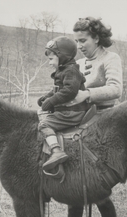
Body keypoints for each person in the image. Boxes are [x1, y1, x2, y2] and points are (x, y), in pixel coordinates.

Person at [65, 17, 123, 217]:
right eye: (76, 41)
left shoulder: (111, 58)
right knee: (77, 181)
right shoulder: (77, 64)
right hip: (80, 123)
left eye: (83, 40)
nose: (79, 45)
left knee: (90, 182)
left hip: (105, 122)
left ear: (97, 38)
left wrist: (86, 94)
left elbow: (116, 88)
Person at [38, 36, 91, 171]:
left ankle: (56, 151)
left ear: (62, 57)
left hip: (72, 112)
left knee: (44, 124)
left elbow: (69, 91)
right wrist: (46, 97)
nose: (49, 63)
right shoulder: (64, 70)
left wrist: (51, 101)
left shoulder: (71, 71)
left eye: (51, 59)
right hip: (69, 111)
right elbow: (58, 90)